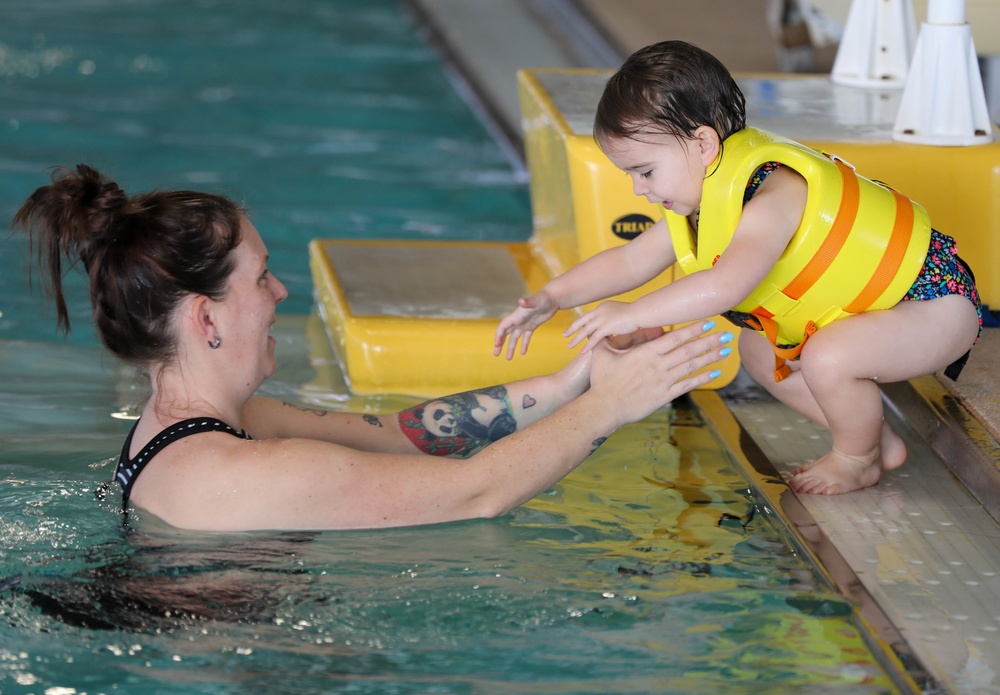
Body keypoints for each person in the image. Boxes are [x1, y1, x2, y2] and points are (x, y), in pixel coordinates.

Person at [12, 163, 732, 532]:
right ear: (206, 320)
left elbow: (398, 434)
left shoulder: (212, 430)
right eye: (261, 278)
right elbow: (474, 494)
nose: (282, 293)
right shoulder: (236, 472)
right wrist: (610, 407)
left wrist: (577, 379)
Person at [494, 40, 982, 496]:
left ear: (704, 145)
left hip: (932, 306)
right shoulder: (699, 204)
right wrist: (552, 297)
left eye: (645, 171)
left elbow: (726, 286)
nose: (639, 190)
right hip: (871, 309)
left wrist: (633, 314)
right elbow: (629, 260)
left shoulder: (775, 196)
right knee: (754, 348)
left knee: (828, 358)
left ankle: (857, 457)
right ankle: (870, 437)